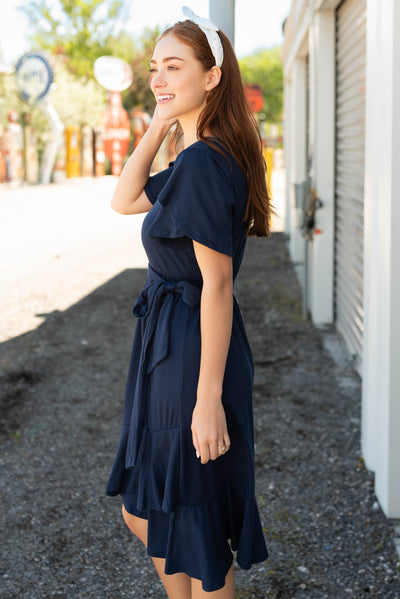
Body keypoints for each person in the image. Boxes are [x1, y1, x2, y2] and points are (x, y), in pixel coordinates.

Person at [106, 6, 272, 598]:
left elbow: (218, 285)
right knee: (154, 511)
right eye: (154, 68)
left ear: (212, 77)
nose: (159, 78)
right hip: (171, 341)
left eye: (174, 67)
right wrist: (159, 121)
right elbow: (124, 200)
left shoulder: (203, 164)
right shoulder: (194, 156)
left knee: (190, 523)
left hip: (193, 350)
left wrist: (207, 401)